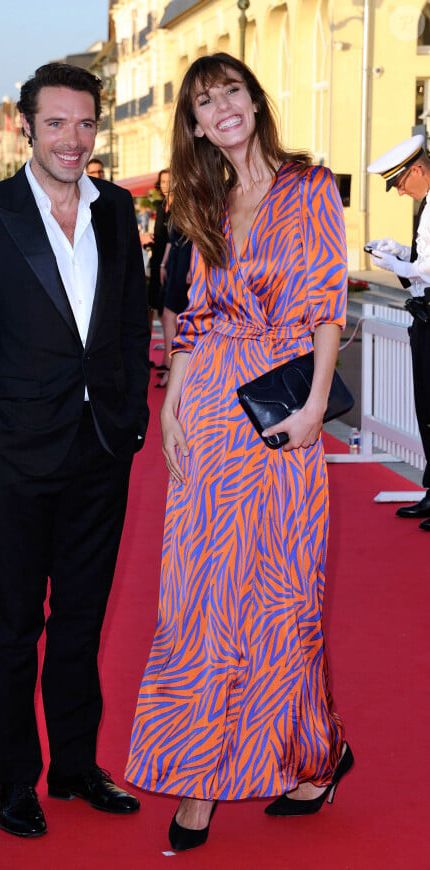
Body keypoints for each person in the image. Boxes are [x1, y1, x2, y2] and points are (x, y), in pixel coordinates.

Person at [125, 53, 353, 852]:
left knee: (281, 593)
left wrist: (319, 405)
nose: (220, 108)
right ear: (192, 125)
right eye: (203, 102)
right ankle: (198, 785)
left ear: (254, 100)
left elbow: (328, 302)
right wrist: (172, 411)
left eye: (230, 92)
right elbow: (191, 318)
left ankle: (314, 753)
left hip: (282, 410)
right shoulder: (204, 201)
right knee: (196, 596)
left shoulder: (311, 186)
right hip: (212, 410)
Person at [0, 61, 150, 839]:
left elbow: (131, 320)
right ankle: (15, 778)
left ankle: (75, 766)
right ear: (26, 125)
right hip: (22, 452)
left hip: (102, 450)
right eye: (56, 122)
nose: (73, 138)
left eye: (86, 122)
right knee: (16, 624)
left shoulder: (117, 210)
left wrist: (130, 420)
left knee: (84, 622)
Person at [366, 134, 430, 531]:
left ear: (419, 170)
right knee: (425, 411)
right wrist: (402, 254)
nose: (400, 191)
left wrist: (398, 265)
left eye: (401, 182)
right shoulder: (426, 205)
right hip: (424, 316)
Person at [156, 220, 192, 388]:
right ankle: (172, 369)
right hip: (176, 260)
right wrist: (164, 264)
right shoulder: (179, 203)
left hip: (188, 258)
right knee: (169, 314)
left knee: (174, 315)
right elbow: (172, 238)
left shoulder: (196, 198)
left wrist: (194, 265)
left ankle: (174, 371)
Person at [146, 168, 170, 358]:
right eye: (162, 182)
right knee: (154, 303)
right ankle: (165, 350)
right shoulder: (163, 205)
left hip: (169, 261)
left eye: (169, 181)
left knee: (167, 308)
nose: (166, 185)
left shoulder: (179, 206)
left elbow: (174, 239)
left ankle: (169, 355)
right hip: (157, 258)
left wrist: (163, 263)